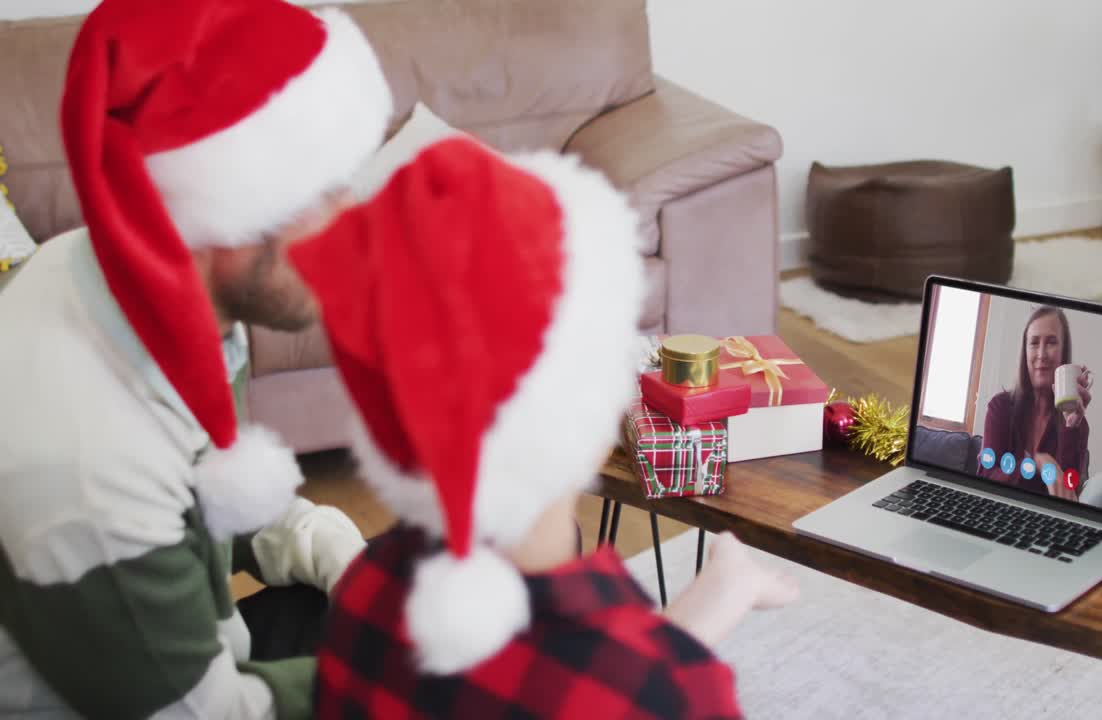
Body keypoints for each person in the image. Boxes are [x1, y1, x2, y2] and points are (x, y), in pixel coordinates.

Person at [292, 134, 798, 719]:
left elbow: (593, 669)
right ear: (597, 409)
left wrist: (716, 599)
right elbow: (630, 684)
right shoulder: (672, 695)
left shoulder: (364, 592)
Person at [0, 0, 393, 716]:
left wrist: (344, 558)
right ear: (227, 210)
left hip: (192, 651)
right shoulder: (89, 470)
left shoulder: (134, 286)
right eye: (323, 192)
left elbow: (214, 488)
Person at [977, 305, 1092, 500]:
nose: (1041, 354)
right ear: (1025, 352)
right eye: (1034, 343)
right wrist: (1037, 463)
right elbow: (986, 474)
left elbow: (1069, 489)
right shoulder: (1000, 408)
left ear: (1064, 353)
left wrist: (1070, 427)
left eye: (1051, 342)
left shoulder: (1077, 426)